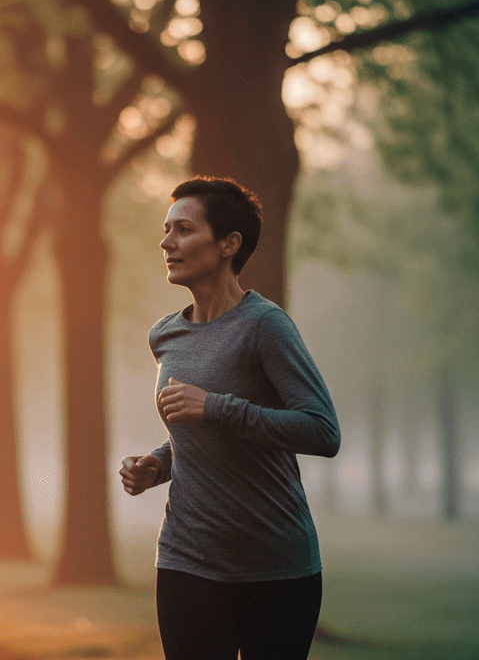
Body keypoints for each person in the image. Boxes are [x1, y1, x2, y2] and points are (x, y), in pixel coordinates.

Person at [119, 176, 341, 660]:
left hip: (275, 567)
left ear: (228, 243)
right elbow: (194, 437)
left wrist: (217, 406)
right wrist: (157, 465)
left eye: (182, 229)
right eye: (165, 229)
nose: (166, 242)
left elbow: (323, 430)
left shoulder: (266, 326)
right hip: (186, 561)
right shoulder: (165, 336)